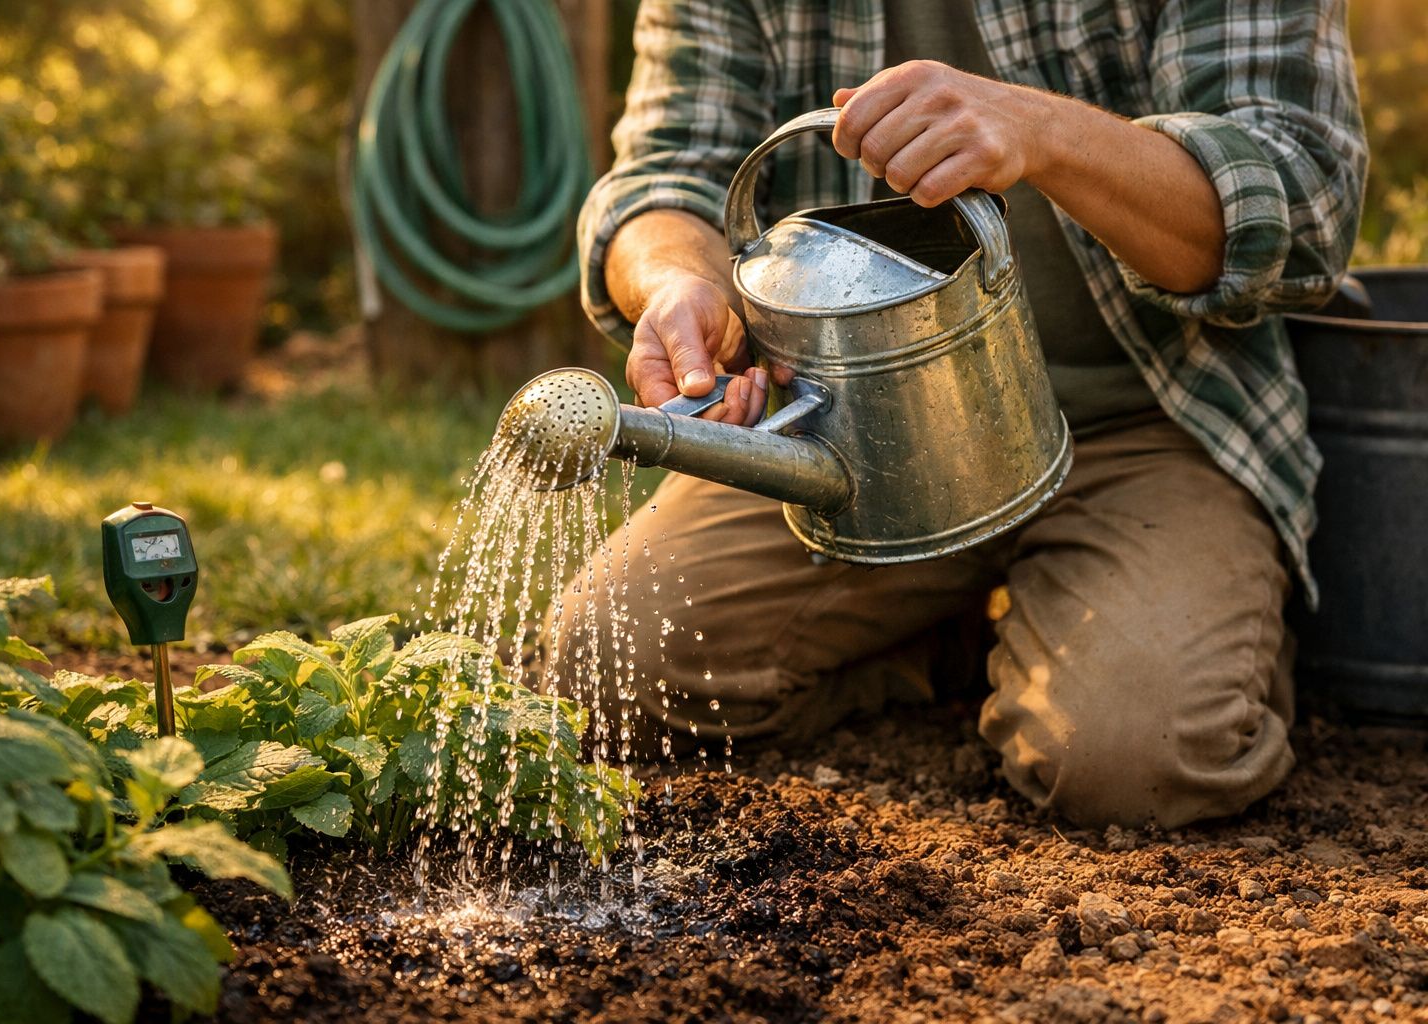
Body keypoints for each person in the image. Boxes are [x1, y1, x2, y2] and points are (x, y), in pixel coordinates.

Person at [546, 0, 1368, 828]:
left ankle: (1195, 623)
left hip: (1151, 418)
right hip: (856, 429)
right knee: (606, 661)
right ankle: (953, 639)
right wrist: (685, 283)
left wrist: (1038, 131)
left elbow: (1302, 205)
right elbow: (665, 176)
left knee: (1131, 758)